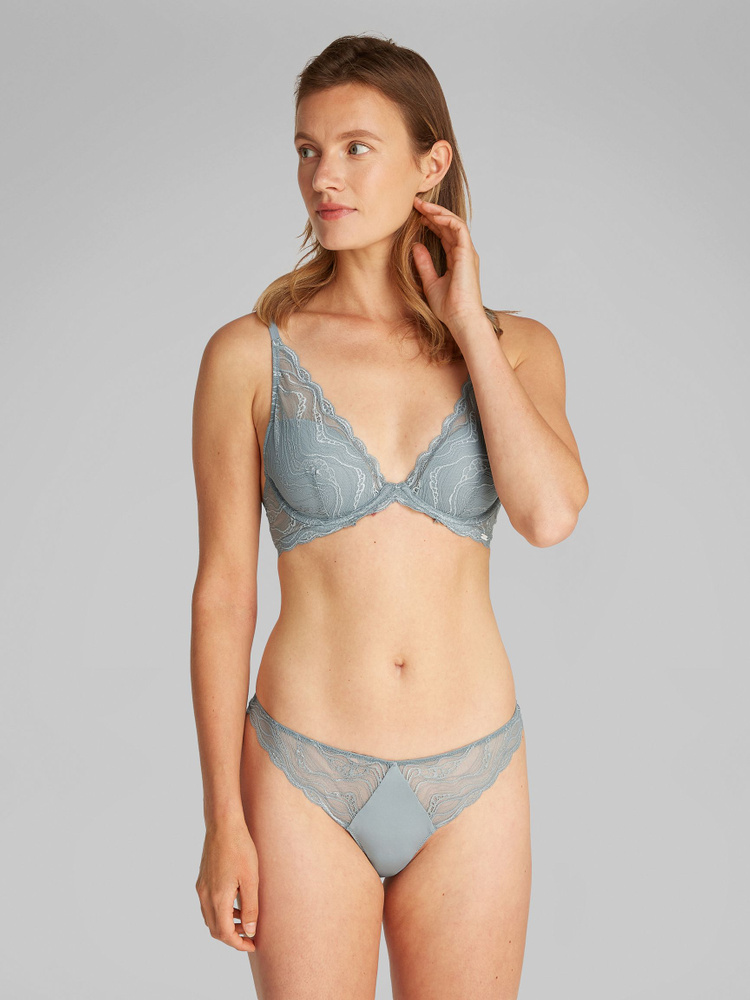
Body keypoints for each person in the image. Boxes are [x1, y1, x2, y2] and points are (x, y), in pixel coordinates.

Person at [191, 33, 588, 1000]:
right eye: (307, 150)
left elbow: (548, 515)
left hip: (474, 774)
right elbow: (223, 596)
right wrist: (222, 818)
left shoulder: (518, 348)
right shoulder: (249, 354)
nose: (322, 176)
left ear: (430, 163)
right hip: (302, 770)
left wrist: (469, 324)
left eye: (355, 148)